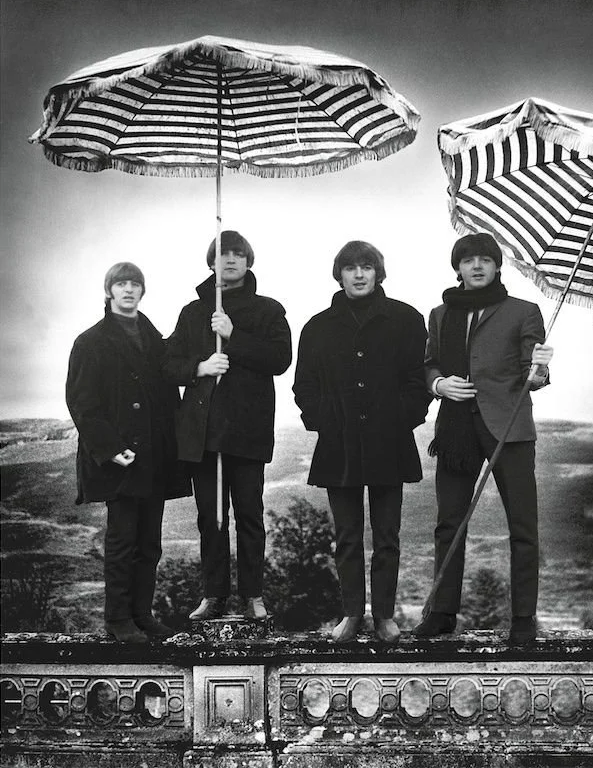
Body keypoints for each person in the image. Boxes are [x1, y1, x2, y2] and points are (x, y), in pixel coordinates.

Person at [416, 233, 554, 645]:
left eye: (485, 260)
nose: (476, 266)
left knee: (523, 525)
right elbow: (430, 364)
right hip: (456, 429)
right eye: (468, 260)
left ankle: (524, 619)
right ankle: (442, 614)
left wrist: (540, 372)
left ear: (497, 266)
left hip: (509, 429)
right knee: (448, 523)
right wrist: (440, 385)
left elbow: (537, 369)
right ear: (457, 267)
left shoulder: (524, 311)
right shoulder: (440, 314)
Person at [293, 241, 432, 643]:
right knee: (348, 537)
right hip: (339, 446)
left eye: (366, 266)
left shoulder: (406, 319)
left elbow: (417, 381)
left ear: (378, 272)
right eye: (350, 267)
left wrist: (401, 417)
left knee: (388, 535)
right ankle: (352, 615)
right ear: (339, 274)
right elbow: (304, 387)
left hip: (390, 442)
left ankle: (385, 616)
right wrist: (325, 421)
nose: (358, 274)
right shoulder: (317, 327)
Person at [163, 230, 292, 621]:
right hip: (204, 433)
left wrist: (234, 336)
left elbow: (280, 359)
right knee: (211, 518)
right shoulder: (191, 312)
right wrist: (199, 368)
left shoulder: (268, 310)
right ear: (212, 263)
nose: (231, 259)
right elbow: (167, 364)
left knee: (249, 515)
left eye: (238, 253)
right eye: (223, 254)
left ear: (249, 261)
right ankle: (213, 595)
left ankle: (253, 595)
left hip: (248, 431)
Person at [66, 262, 190, 643]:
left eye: (134, 284)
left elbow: (170, 389)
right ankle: (118, 619)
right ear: (109, 291)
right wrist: (111, 447)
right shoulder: (90, 341)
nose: (128, 290)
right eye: (120, 284)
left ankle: (142, 615)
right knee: (122, 541)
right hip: (120, 461)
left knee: (149, 542)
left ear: (142, 290)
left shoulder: (155, 340)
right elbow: (82, 402)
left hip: (154, 459)